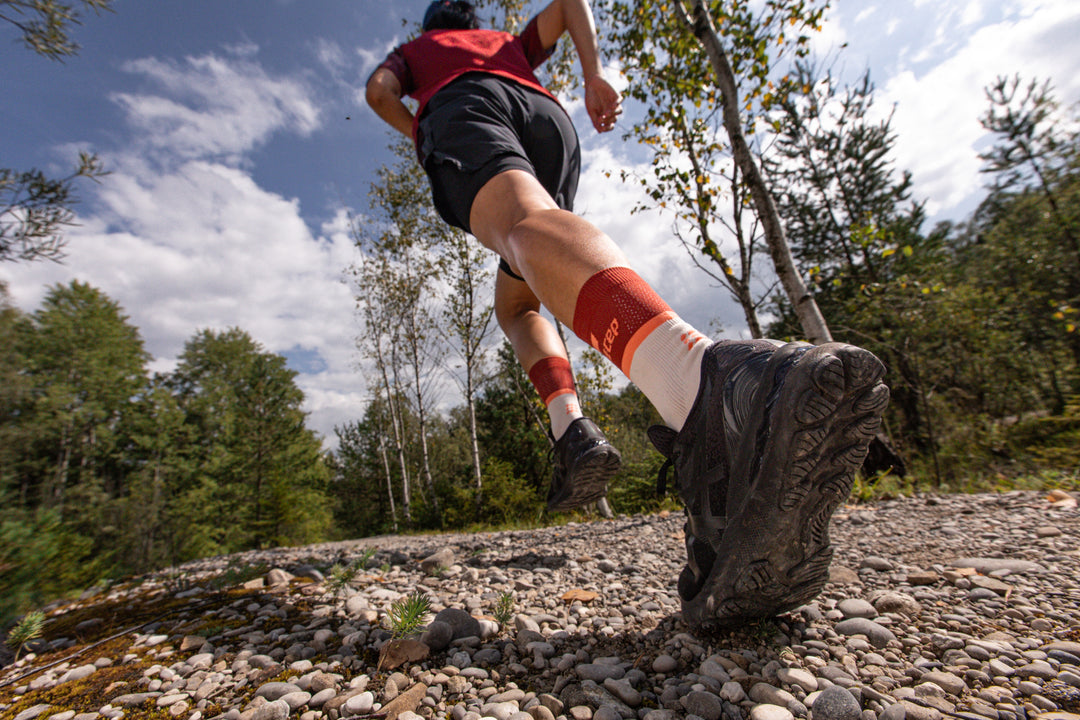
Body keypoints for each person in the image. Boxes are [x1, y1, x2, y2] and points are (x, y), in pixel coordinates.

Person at [366, 0, 889, 628]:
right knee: (518, 298)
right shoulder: (505, 41)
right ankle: (572, 428)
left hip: (464, 108)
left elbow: (379, 91)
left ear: (431, 27)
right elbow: (568, 3)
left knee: (523, 226)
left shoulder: (418, 54)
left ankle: (708, 383)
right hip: (547, 122)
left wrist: (420, 128)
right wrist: (593, 75)